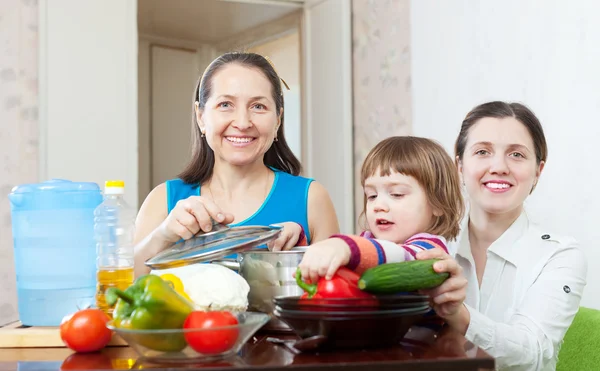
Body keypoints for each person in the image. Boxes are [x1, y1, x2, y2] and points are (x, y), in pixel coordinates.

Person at [133, 52, 339, 277]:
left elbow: (334, 294)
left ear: (278, 119)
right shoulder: (162, 200)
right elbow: (121, 294)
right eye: (225, 104)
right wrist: (163, 236)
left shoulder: (312, 199)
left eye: (258, 107)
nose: (242, 123)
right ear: (201, 116)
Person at [418, 101, 588, 370]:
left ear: (537, 171)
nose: (499, 166)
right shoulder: (425, 243)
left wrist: (458, 315)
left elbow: (532, 351)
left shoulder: (560, 255)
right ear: (460, 165)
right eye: (483, 151)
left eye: (517, 155)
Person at [297, 136, 467, 324]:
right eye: (372, 195)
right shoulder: (368, 241)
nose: (379, 205)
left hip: (420, 348)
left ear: (438, 203)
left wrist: (345, 247)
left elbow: (400, 257)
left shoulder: (429, 248)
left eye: (396, 194)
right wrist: (300, 245)